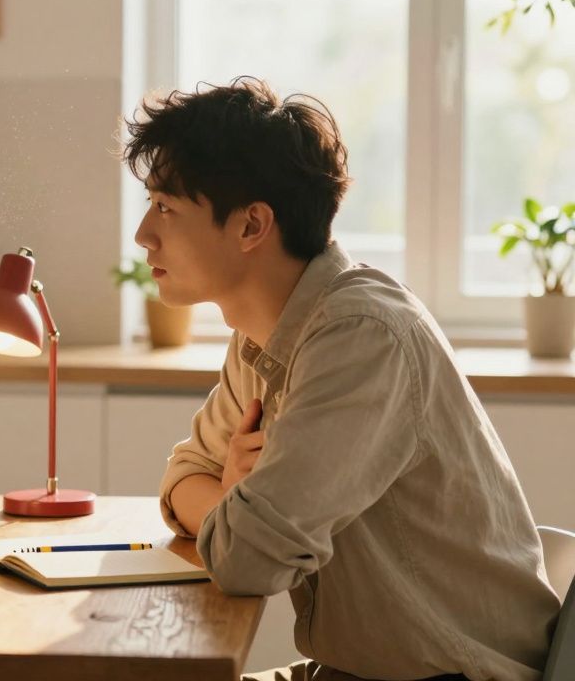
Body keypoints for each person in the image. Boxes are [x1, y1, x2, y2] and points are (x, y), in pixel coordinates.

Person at [122, 77, 560, 681]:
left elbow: (247, 560)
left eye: (166, 208)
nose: (144, 233)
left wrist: (226, 505)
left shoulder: (359, 337)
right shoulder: (262, 334)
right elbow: (181, 479)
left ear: (252, 226)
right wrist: (229, 499)